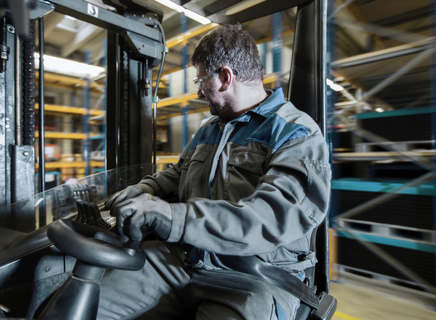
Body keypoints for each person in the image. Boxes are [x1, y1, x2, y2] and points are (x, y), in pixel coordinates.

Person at [99, 23, 331, 320]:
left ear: (224, 77)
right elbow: (180, 172)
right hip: (187, 259)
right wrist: (148, 189)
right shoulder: (210, 129)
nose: (198, 91)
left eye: (201, 80)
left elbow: (270, 218)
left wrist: (172, 216)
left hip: (255, 277)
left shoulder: (296, 133)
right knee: (87, 300)